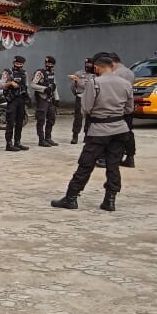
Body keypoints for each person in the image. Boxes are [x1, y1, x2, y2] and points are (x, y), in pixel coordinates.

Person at [51, 54, 133, 211]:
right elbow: (129, 109)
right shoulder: (125, 84)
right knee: (113, 165)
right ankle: (110, 200)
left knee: (86, 164)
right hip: (120, 128)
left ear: (97, 68)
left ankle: (71, 197)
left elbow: (86, 108)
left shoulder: (94, 82)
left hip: (98, 130)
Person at [109, 52, 136, 168]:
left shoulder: (114, 73)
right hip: (128, 106)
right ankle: (130, 157)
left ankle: (114, 157)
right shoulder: (130, 72)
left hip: (116, 108)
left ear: (112, 62)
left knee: (115, 134)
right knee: (128, 132)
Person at [1, 55, 30, 151]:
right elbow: (1, 85)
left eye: (21, 64)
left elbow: (26, 86)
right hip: (12, 99)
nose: (19, 65)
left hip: (21, 99)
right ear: (13, 63)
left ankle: (17, 142)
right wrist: (10, 83)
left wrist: (28, 98)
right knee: (10, 121)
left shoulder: (24, 73)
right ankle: (8, 144)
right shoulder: (7, 72)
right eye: (17, 63)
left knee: (19, 122)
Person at [31, 55, 59, 146]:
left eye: (51, 64)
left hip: (50, 99)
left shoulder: (52, 73)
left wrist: (57, 99)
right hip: (42, 98)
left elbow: (54, 86)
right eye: (47, 63)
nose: (49, 65)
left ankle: (48, 138)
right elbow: (33, 85)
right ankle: (41, 139)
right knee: (41, 119)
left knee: (51, 119)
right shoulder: (40, 73)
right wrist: (44, 89)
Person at [70, 57, 94, 144]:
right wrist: (76, 93)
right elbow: (73, 86)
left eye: (90, 64)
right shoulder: (79, 73)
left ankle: (87, 136)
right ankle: (75, 136)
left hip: (90, 98)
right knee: (78, 117)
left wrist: (78, 80)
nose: (88, 66)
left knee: (89, 117)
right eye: (86, 64)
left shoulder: (95, 75)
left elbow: (88, 86)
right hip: (80, 97)